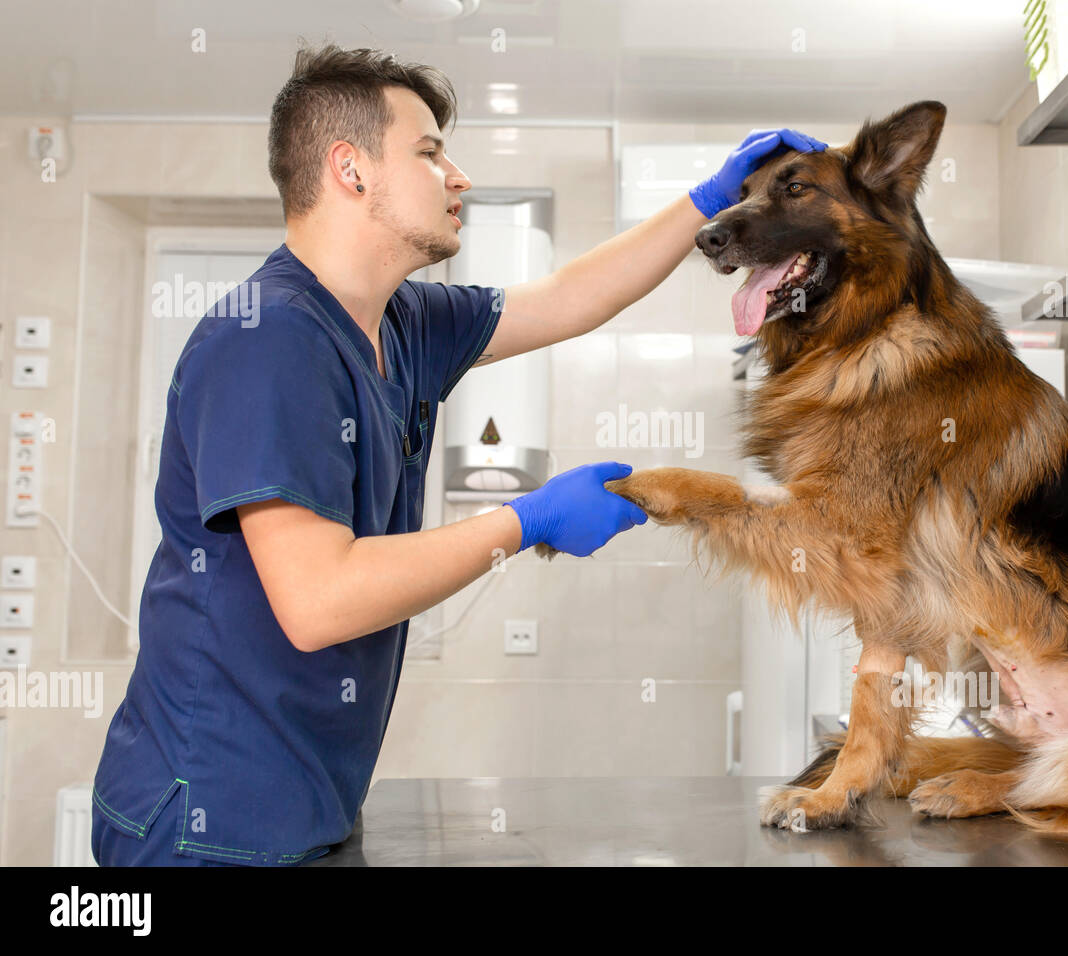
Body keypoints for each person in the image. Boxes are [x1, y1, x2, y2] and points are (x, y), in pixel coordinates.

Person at [90, 42, 826, 866]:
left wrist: (706, 200)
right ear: (350, 169)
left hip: (307, 806)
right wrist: (526, 518)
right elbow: (319, 600)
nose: (458, 176)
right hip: (209, 819)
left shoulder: (401, 323)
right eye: (431, 152)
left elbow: (568, 299)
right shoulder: (267, 340)